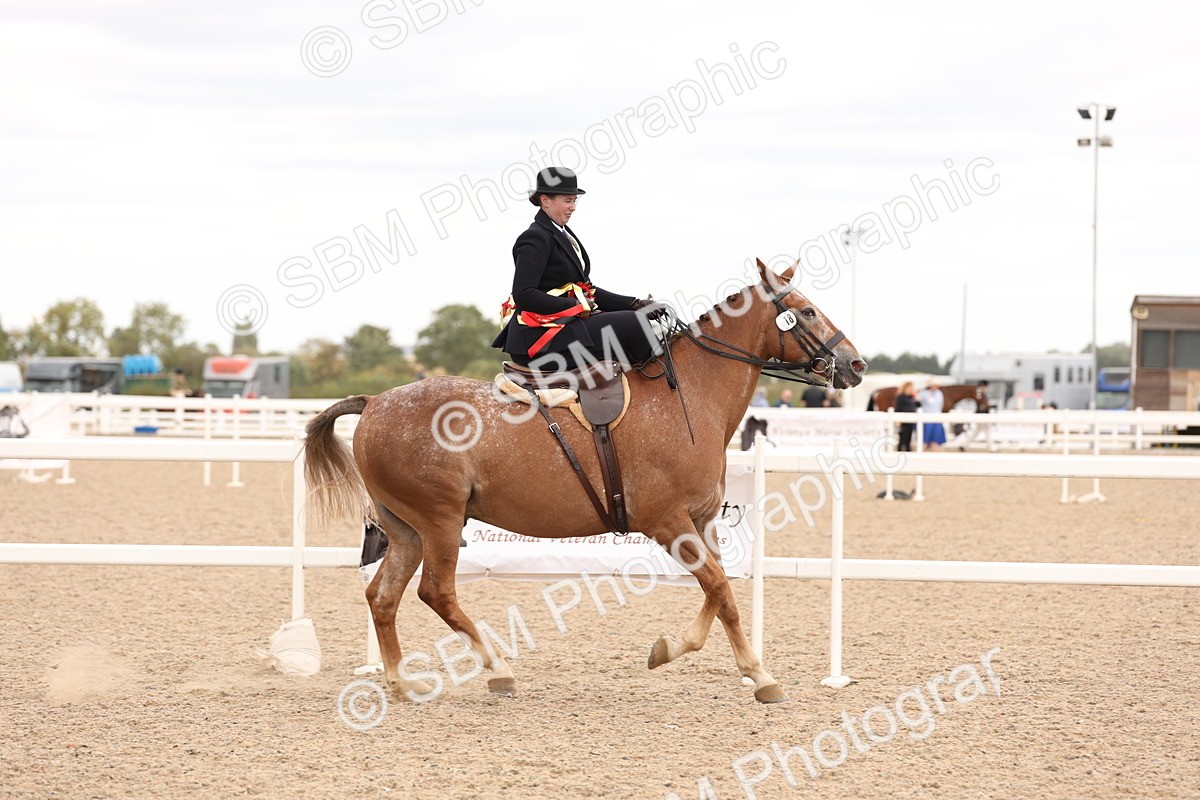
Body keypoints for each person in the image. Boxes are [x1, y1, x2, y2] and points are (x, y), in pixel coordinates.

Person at [492, 167, 659, 371]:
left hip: (565, 326)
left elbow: (586, 289)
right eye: (567, 201)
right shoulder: (535, 237)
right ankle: (661, 388)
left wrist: (634, 304)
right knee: (635, 324)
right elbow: (524, 294)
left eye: (574, 201)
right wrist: (575, 305)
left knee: (636, 319)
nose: (573, 207)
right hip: (539, 339)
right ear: (545, 200)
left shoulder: (560, 232)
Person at [916, 381, 947, 450]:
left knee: (936, 434)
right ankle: (925, 446)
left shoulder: (939, 393)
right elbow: (917, 399)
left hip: (937, 415)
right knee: (926, 433)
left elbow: (940, 404)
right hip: (927, 416)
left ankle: (934, 446)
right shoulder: (924, 393)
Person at [894, 381, 918, 451]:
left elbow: (917, 406)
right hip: (902, 420)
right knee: (902, 438)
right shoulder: (901, 397)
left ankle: (908, 451)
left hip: (910, 420)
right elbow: (897, 408)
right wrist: (897, 420)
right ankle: (900, 451)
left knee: (909, 438)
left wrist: (916, 398)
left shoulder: (911, 397)